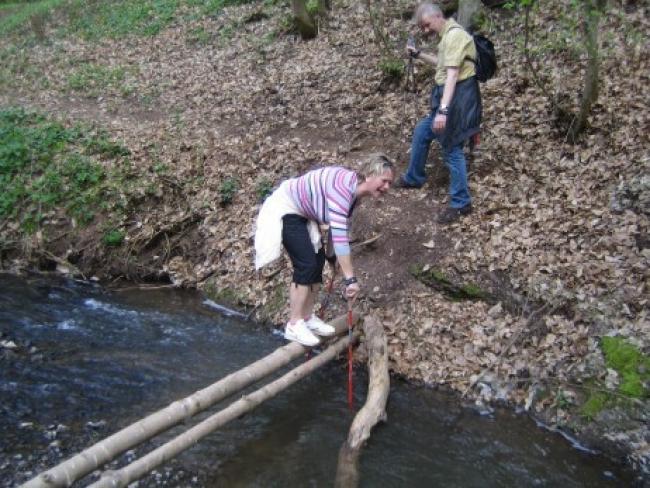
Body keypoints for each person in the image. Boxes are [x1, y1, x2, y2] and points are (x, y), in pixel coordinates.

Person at [254, 155, 394, 346]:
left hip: (304, 212)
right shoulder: (343, 189)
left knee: (317, 262)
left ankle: (307, 317)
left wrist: (330, 256)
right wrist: (350, 279)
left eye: (389, 183)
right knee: (306, 264)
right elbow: (339, 235)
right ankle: (294, 324)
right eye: (384, 181)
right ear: (369, 175)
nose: (387, 187)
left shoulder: (354, 194)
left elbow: (339, 225)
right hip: (286, 207)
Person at [396, 2, 482, 224]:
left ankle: (462, 203)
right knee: (423, 131)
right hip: (448, 97)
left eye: (426, 25)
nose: (425, 31)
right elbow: (443, 66)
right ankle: (414, 177)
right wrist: (419, 54)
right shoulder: (447, 37)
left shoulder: (454, 35)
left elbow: (452, 75)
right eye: (422, 28)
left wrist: (443, 111)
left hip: (456, 100)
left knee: (452, 148)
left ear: (437, 16)